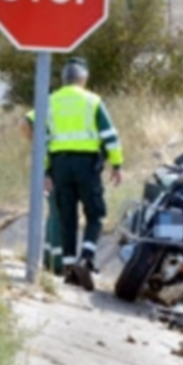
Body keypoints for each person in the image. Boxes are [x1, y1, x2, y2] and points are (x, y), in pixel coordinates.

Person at [43, 57, 124, 291]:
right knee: (95, 214)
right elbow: (110, 136)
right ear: (83, 79)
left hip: (59, 165)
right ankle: (86, 259)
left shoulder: (49, 102)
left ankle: (70, 269)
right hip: (87, 165)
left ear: (64, 80)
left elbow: (43, 141)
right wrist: (117, 164)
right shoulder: (92, 101)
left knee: (67, 218)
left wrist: (46, 171)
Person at [21, 105, 64, 276]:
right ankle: (57, 263)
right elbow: (26, 123)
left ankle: (50, 259)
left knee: (55, 213)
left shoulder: (52, 108)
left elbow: (25, 122)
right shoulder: (57, 109)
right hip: (55, 169)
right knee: (59, 214)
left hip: (54, 168)